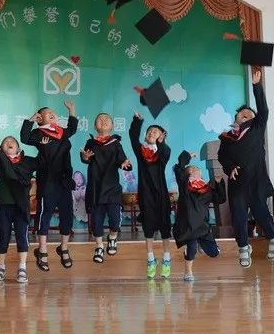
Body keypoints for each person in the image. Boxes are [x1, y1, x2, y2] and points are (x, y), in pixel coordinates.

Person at [216, 69, 274, 268]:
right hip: (238, 181)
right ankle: (243, 247)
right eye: (242, 113)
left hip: (256, 179)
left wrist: (256, 86)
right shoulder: (226, 138)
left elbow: (264, 110)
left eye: (249, 113)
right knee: (238, 214)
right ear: (236, 117)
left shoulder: (257, 128)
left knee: (261, 212)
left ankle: (273, 236)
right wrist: (229, 168)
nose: (246, 114)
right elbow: (222, 156)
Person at [20, 101, 79, 271]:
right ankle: (43, 250)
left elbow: (73, 128)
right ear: (40, 118)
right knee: (45, 214)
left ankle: (64, 247)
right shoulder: (38, 133)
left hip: (64, 180)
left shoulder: (62, 133)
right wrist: (31, 120)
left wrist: (72, 109)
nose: (52, 113)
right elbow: (24, 138)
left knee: (67, 214)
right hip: (48, 180)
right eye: (47, 113)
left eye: (53, 112)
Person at [0, 116, 38, 283]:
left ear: (18, 147)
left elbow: (46, 161)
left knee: (22, 236)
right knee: (4, 237)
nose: (8, 142)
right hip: (4, 207)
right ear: (2, 149)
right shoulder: (0, 162)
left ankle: (22, 268)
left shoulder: (28, 162)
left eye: (12, 141)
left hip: (21, 206)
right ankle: (1, 267)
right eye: (5, 142)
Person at [80, 113, 132, 264]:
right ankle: (99, 246)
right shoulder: (91, 142)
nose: (103, 121)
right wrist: (85, 158)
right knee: (96, 222)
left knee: (115, 221)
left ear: (112, 126)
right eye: (99, 120)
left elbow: (124, 160)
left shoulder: (116, 144)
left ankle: (113, 238)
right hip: (96, 187)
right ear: (95, 126)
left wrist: (124, 164)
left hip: (112, 188)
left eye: (106, 119)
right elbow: (85, 158)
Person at [128, 113, 173, 279]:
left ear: (161, 136)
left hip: (161, 195)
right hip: (146, 194)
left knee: (165, 228)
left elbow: (165, 153)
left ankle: (167, 258)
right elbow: (133, 136)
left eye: (155, 132)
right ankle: (150, 259)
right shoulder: (141, 152)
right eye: (149, 131)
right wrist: (137, 122)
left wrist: (161, 144)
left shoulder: (163, 152)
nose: (151, 133)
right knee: (148, 227)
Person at [172, 152, 225, 282]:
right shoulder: (185, 186)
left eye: (196, 169)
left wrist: (219, 183)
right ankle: (188, 272)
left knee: (214, 253)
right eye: (191, 170)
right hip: (188, 226)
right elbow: (179, 168)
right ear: (187, 175)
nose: (194, 171)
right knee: (191, 249)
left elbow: (220, 199)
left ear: (201, 174)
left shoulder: (207, 189)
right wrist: (186, 158)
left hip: (202, 226)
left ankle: (202, 244)